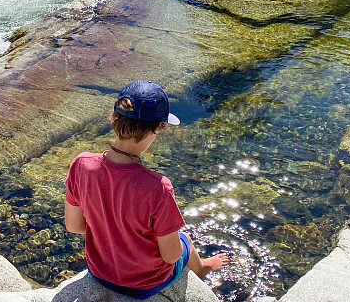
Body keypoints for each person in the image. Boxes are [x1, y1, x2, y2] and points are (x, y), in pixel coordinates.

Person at [64, 80, 228, 299]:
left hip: (99, 273)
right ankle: (203, 268)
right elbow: (170, 256)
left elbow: (74, 226)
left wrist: (109, 228)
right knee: (184, 240)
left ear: (114, 119)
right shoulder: (159, 187)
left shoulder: (81, 164)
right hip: (146, 284)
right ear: (157, 128)